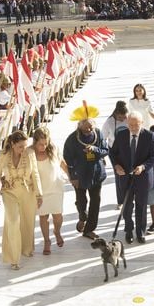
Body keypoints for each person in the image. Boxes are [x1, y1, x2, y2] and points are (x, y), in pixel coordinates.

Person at [0, 130, 43, 270]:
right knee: (13, 221)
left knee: (28, 221)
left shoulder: (30, 154)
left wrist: (39, 194)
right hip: (9, 192)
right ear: (13, 144)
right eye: (20, 146)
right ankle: (14, 258)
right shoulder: (3, 155)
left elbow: (35, 173)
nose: (23, 149)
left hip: (27, 191)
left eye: (25, 146)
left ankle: (26, 249)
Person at [110, 111, 154, 244]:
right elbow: (112, 153)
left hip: (142, 177)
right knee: (127, 206)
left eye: (136, 125)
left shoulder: (149, 136)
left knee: (141, 206)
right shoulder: (121, 135)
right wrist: (117, 166)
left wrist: (143, 167)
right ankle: (129, 230)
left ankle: (140, 231)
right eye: (130, 125)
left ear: (142, 123)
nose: (133, 128)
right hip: (125, 177)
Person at [63, 103, 109, 240]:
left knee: (95, 202)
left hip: (96, 174)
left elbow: (105, 151)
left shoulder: (98, 133)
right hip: (80, 175)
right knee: (81, 202)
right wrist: (73, 177)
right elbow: (68, 159)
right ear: (80, 125)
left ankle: (89, 229)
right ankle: (82, 217)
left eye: (91, 126)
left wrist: (94, 150)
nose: (89, 129)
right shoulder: (72, 139)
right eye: (87, 126)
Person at [31, 127, 67, 255]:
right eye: (41, 144)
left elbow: (62, 162)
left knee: (58, 216)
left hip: (56, 186)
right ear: (35, 142)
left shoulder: (53, 148)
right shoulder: (30, 153)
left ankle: (57, 231)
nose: (44, 146)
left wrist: (71, 176)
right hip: (40, 190)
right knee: (43, 216)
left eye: (46, 143)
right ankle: (46, 241)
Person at [101, 101, 128, 207]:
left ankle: (130, 197)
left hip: (128, 149)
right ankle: (121, 201)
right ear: (116, 114)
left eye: (124, 117)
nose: (123, 119)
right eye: (120, 117)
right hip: (115, 151)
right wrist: (102, 155)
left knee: (129, 173)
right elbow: (103, 138)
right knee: (119, 174)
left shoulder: (128, 118)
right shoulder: (109, 122)